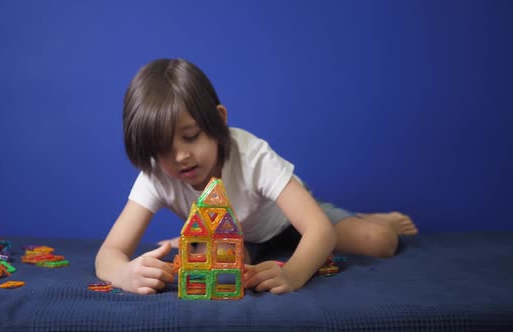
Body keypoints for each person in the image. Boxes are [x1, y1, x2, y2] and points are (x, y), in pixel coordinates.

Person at [95, 58, 418, 295]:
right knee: (218, 265)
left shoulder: (252, 155)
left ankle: (368, 218)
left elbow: (317, 229)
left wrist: (293, 274)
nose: (180, 156)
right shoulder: (156, 175)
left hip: (287, 220)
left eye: (191, 136)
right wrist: (123, 273)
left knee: (380, 242)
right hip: (241, 238)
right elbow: (108, 253)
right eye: (163, 150)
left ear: (218, 122)